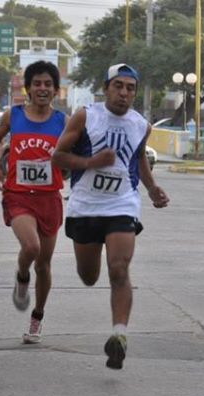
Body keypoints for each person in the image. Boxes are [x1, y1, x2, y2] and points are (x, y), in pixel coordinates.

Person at [51, 63, 169, 370]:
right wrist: (91, 161)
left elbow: (138, 157)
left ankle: (119, 336)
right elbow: (58, 156)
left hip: (122, 205)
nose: (124, 93)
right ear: (106, 88)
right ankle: (111, 315)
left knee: (119, 269)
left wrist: (153, 187)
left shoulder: (141, 124)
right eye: (118, 86)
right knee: (89, 277)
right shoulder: (86, 116)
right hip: (85, 207)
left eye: (130, 88)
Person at [0, 60, 72, 344]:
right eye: (37, 83)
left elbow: (78, 151)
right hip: (19, 195)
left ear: (55, 90)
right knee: (32, 247)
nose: (42, 88)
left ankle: (37, 317)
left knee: (45, 265)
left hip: (50, 198)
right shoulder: (13, 115)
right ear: (28, 88)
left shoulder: (63, 122)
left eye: (48, 84)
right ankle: (22, 275)